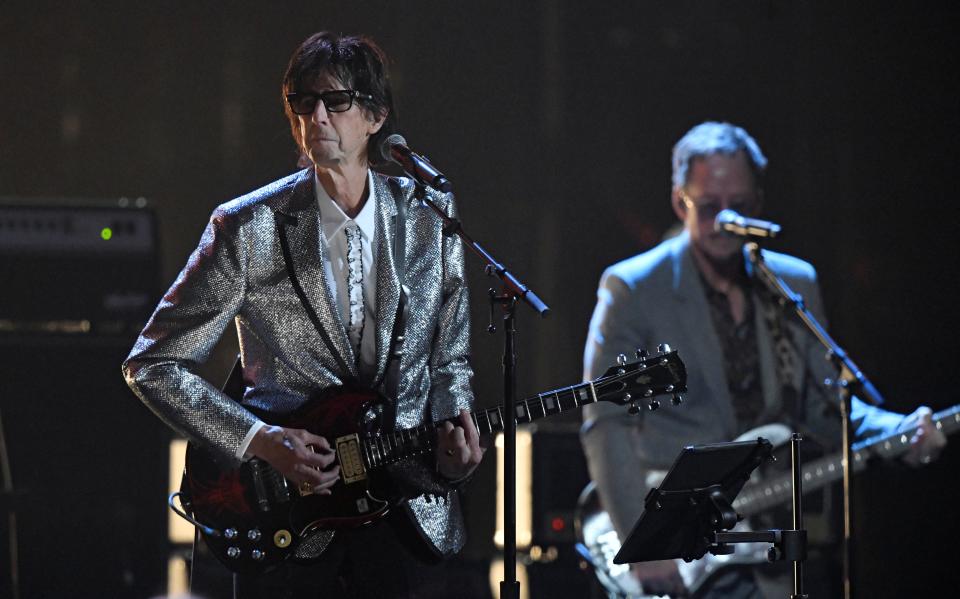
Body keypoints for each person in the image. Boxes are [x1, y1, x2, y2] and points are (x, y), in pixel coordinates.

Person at [123, 32, 484, 598]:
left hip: (404, 508)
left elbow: (449, 358)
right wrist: (259, 439)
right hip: (287, 516)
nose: (316, 116)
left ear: (374, 116)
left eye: (335, 102)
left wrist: (456, 451)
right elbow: (153, 363)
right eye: (302, 103)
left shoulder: (428, 216)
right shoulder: (247, 227)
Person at [579, 121, 946, 598]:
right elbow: (606, 426)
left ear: (759, 202)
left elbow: (827, 406)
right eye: (709, 207)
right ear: (679, 202)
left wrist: (899, 430)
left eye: (740, 207)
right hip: (674, 535)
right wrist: (642, 542)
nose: (725, 221)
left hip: (767, 540)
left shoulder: (791, 284)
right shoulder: (633, 288)